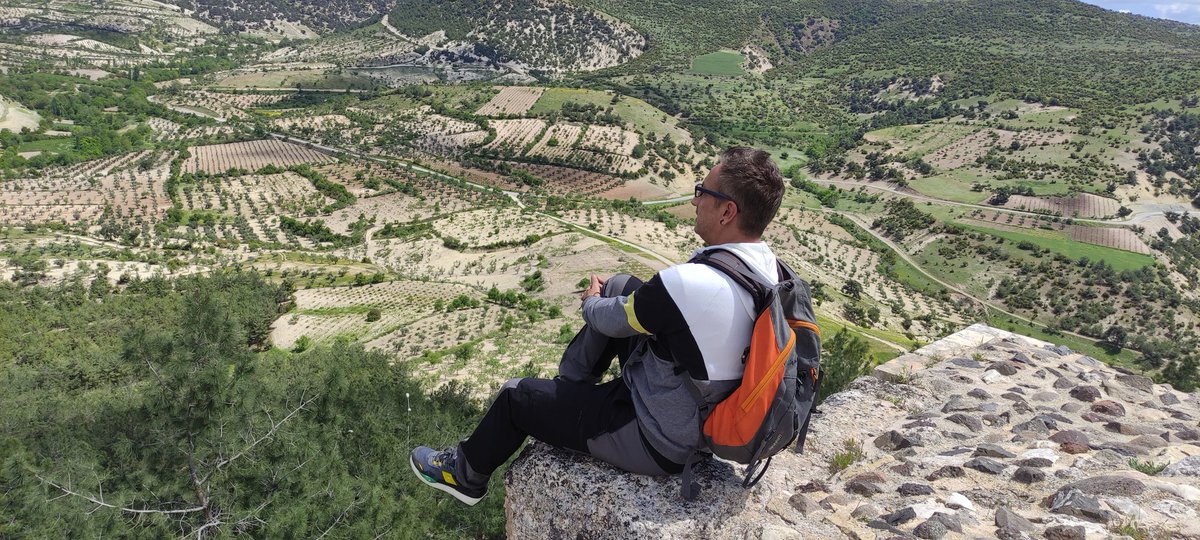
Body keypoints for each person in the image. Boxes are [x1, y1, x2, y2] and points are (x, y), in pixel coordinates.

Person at [410, 147, 786, 505]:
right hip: (695, 404)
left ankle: (465, 475)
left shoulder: (693, 283)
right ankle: (569, 391)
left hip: (657, 436)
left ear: (727, 211)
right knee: (621, 285)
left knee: (516, 396)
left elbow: (608, 318)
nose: (694, 201)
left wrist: (590, 301)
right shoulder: (768, 271)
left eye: (702, 192)